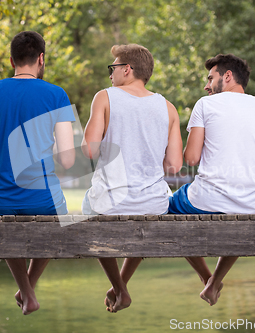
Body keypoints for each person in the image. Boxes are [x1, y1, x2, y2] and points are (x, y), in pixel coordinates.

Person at [0, 31, 75, 315]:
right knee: (59, 225)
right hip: (44, 200)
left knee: (4, 226)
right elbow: (67, 158)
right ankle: (29, 288)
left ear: (11, 60)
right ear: (41, 59)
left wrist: (3, 147)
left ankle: (27, 292)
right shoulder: (56, 94)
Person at [168, 54, 255, 306]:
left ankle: (206, 277)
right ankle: (214, 281)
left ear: (227, 76)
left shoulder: (205, 105)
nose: (206, 85)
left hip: (206, 200)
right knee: (242, 216)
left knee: (167, 211)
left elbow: (191, 158)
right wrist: (248, 164)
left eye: (211, 78)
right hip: (253, 204)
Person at [81, 44, 183, 313]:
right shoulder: (168, 108)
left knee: (88, 208)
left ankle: (120, 287)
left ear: (127, 69)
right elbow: (174, 166)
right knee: (144, 213)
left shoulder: (105, 97)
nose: (110, 75)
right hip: (154, 204)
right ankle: (121, 285)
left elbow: (88, 150)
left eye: (112, 68)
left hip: (111, 202)